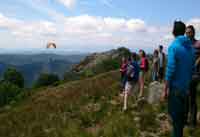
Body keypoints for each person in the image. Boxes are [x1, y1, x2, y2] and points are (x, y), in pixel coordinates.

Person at [162, 21, 195, 137]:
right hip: (186, 90)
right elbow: (192, 70)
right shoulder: (191, 48)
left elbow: (170, 69)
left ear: (173, 32)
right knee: (180, 123)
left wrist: (165, 89)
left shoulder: (174, 47)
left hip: (175, 90)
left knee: (176, 123)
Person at [186, 25, 200, 127]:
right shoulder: (185, 44)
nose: (188, 34)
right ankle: (187, 120)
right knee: (186, 97)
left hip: (195, 74)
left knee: (192, 97)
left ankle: (193, 122)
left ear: (194, 32)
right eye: (186, 32)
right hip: (185, 74)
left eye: (189, 32)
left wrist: (196, 63)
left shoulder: (198, 43)